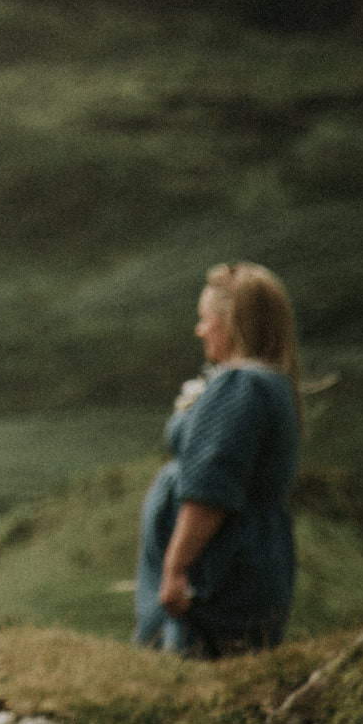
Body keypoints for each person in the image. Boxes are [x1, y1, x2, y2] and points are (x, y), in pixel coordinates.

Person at [134, 261, 303, 658]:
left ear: (232, 322)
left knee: (192, 673)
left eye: (205, 318)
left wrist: (175, 570)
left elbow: (210, 490)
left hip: (217, 571)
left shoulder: (240, 386)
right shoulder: (271, 384)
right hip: (251, 558)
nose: (200, 330)